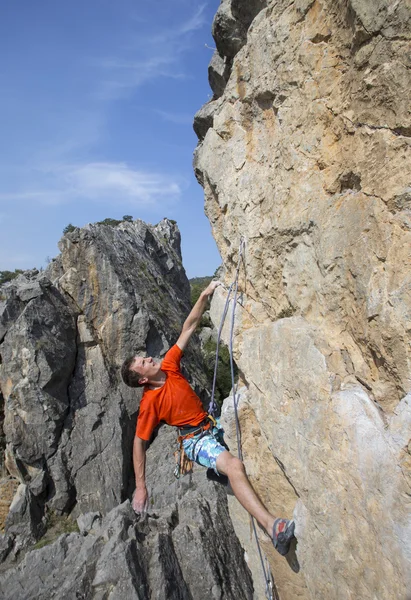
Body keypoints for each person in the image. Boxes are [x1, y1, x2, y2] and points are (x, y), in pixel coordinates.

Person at [121, 281, 295, 556]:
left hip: (210, 425)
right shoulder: (149, 404)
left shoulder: (168, 364)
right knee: (235, 467)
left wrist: (204, 294)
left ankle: (218, 471)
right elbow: (138, 443)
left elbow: (188, 327)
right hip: (194, 440)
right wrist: (141, 487)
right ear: (142, 378)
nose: (148, 358)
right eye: (143, 362)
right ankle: (273, 528)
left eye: (144, 357)